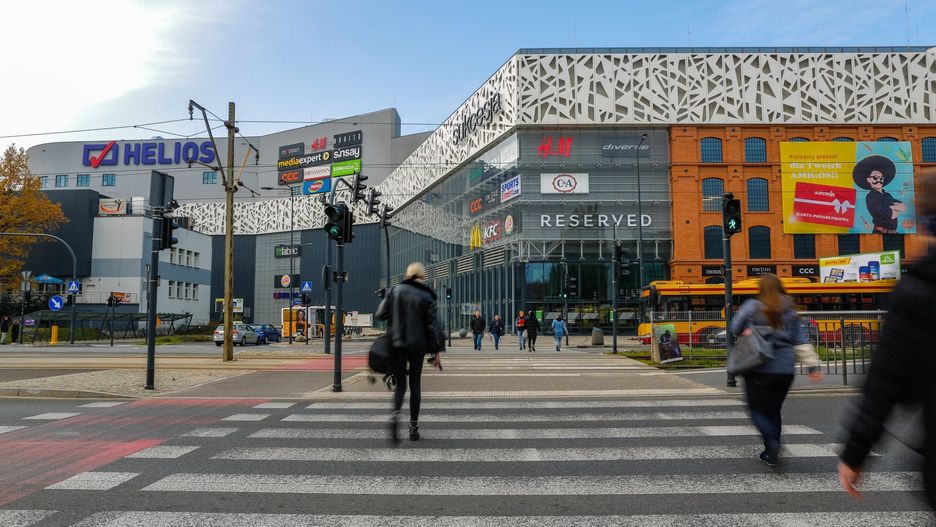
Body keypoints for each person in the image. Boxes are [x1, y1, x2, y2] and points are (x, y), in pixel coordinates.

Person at [838, 166, 936, 506]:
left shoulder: (918, 290)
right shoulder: (872, 200)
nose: (878, 182)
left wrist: (855, 453)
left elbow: (885, 381)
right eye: (874, 179)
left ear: (925, 226)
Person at [730, 273, 822, 466]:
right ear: (780, 286)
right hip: (785, 369)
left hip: (759, 366)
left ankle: (772, 443)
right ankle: (771, 452)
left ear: (761, 288)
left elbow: (734, 328)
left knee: (756, 409)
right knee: (774, 410)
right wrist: (813, 366)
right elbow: (800, 339)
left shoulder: (752, 306)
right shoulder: (790, 309)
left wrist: (748, 329)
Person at [375, 262, 444, 445]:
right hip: (418, 346)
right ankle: (413, 428)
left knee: (400, 385)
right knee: (415, 384)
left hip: (397, 344)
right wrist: (436, 351)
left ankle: (395, 414)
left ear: (407, 275)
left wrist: (395, 315)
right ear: (422, 277)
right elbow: (432, 325)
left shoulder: (394, 291)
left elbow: (380, 314)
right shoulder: (426, 295)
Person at [853, 155, 906, 234]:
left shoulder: (887, 195)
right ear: (868, 179)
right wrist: (896, 208)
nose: (879, 180)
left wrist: (894, 208)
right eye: (875, 178)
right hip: (879, 233)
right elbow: (891, 215)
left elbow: (903, 206)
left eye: (881, 178)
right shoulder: (871, 197)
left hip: (894, 233)